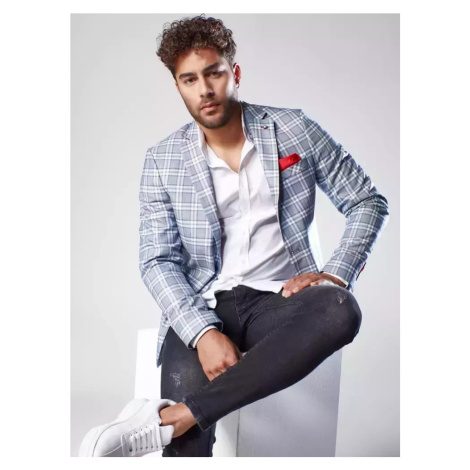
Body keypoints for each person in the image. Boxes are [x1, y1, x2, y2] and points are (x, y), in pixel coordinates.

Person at [80, 13, 390, 458]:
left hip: (279, 300)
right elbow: (157, 260)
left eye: (214, 73)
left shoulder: (293, 129)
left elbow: (367, 200)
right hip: (204, 303)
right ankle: (181, 423)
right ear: (178, 86)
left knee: (341, 310)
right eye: (189, 80)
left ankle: (168, 418)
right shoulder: (163, 160)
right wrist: (203, 332)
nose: (204, 89)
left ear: (235, 73)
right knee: (188, 446)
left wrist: (336, 274)